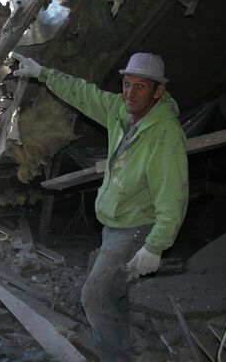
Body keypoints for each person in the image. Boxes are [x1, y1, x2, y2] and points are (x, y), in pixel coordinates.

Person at [10, 52, 189, 361]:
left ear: (159, 91)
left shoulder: (165, 134)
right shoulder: (121, 110)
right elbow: (83, 93)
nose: (131, 93)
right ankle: (122, 348)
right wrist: (43, 73)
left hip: (135, 230)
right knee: (113, 294)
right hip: (114, 225)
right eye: (127, 84)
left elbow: (173, 195)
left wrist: (155, 246)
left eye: (141, 86)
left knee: (93, 298)